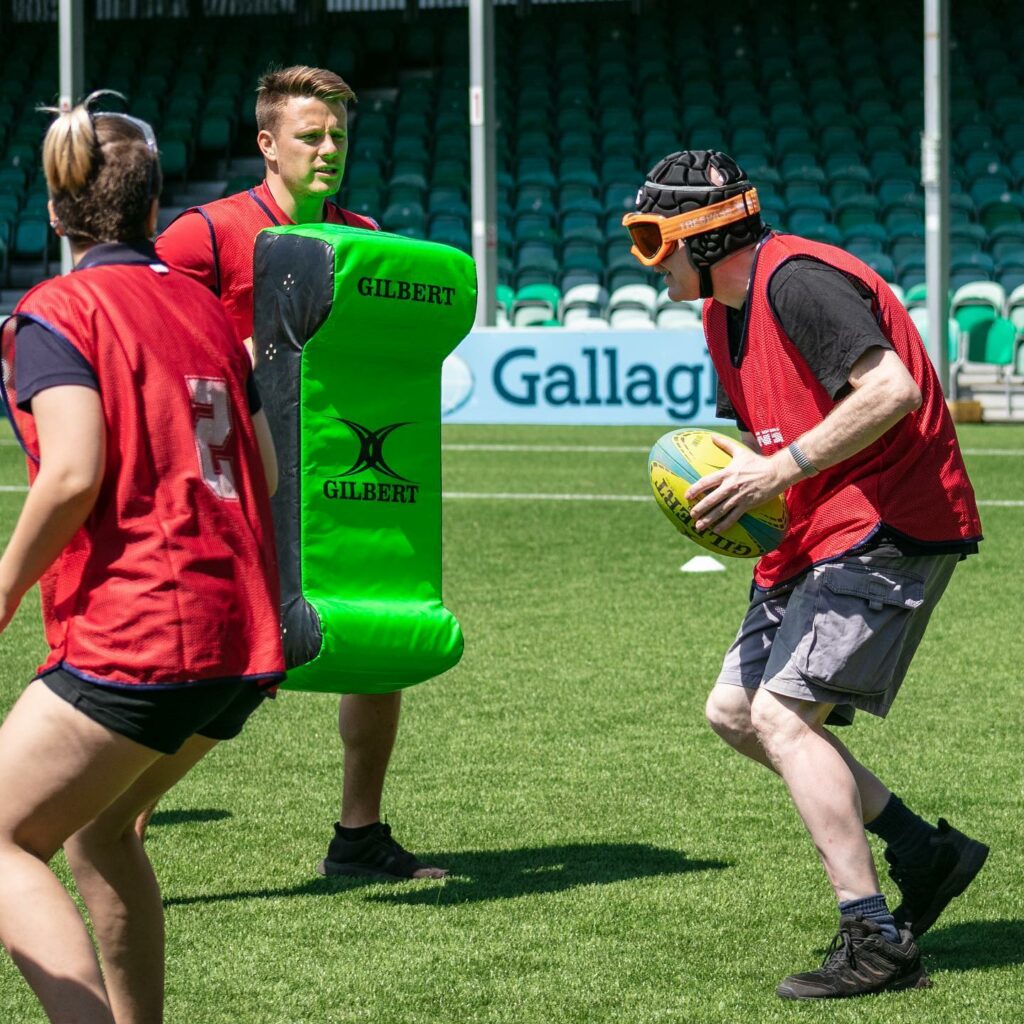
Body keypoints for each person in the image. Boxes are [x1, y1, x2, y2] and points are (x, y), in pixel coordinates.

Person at [623, 149, 988, 1000]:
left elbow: (889, 390)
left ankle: (875, 939)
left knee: (783, 717)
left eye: (653, 238)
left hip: (888, 522)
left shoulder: (799, 282)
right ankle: (923, 851)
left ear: (705, 237)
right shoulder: (720, 313)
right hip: (813, 530)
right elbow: (770, 439)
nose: (646, 258)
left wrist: (774, 474)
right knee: (734, 713)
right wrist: (741, 489)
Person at [0, 97, 284, 1024]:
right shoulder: (201, 307)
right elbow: (269, 471)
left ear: (55, 210)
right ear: (156, 207)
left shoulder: (55, 311)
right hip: (242, 634)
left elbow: (72, 470)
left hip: (144, 631)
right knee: (103, 832)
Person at [155, 65, 446, 881]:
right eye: (311, 136)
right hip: (228, 486)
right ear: (266, 143)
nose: (328, 150)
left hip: (338, 475)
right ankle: (122, 818)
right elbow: (154, 341)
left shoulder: (362, 234)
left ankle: (358, 835)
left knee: (377, 637)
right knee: (234, 666)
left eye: (339, 137)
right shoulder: (203, 235)